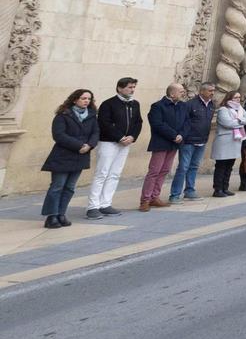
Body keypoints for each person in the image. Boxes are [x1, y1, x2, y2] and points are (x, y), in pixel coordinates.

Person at [86, 77, 142, 219]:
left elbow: (138, 122)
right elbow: (104, 123)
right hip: (108, 142)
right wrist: (119, 137)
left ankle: (106, 204)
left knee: (115, 174)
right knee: (102, 173)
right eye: (129, 87)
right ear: (119, 88)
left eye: (133, 87)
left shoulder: (135, 104)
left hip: (125, 144)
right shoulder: (108, 104)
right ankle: (93, 206)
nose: (132, 90)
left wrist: (132, 137)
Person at [41, 89, 98, 228]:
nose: (86, 101)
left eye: (89, 99)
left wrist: (89, 145)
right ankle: (51, 216)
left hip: (81, 156)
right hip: (63, 156)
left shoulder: (91, 116)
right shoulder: (63, 115)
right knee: (57, 186)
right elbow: (59, 135)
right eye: (83, 98)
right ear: (75, 99)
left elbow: (96, 133)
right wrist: (79, 145)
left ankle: (61, 214)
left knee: (70, 188)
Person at [139, 83, 187, 211]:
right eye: (181, 91)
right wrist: (174, 135)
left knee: (165, 170)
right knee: (154, 171)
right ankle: (145, 199)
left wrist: (181, 135)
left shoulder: (183, 106)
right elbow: (157, 124)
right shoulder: (158, 106)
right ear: (172, 93)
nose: (183, 93)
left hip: (174, 143)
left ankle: (155, 197)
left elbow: (187, 123)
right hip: (161, 143)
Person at [170, 82, 215, 202]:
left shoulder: (211, 105)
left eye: (213, 90)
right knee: (183, 167)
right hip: (188, 141)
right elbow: (183, 122)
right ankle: (175, 194)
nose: (212, 93)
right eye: (210, 90)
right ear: (202, 91)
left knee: (194, 166)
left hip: (202, 140)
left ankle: (190, 191)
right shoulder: (190, 104)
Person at [212, 90, 246, 198]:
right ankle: (218, 189)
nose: (238, 99)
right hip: (224, 142)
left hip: (235, 141)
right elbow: (227, 123)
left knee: (229, 166)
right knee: (221, 166)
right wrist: (241, 122)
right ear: (229, 98)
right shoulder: (223, 109)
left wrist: (239, 121)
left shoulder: (240, 109)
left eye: (239, 97)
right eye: (235, 98)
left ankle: (225, 187)